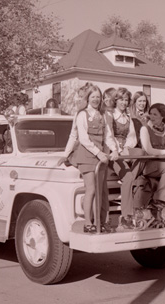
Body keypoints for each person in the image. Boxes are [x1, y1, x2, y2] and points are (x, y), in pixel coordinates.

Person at [67, 83, 119, 233]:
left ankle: (100, 221)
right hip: (87, 156)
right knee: (91, 190)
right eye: (93, 96)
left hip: (100, 157)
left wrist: (114, 150)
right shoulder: (82, 114)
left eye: (98, 97)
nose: (96, 99)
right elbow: (82, 138)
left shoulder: (103, 115)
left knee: (102, 190)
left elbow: (108, 136)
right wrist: (99, 153)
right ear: (87, 98)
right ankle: (88, 222)